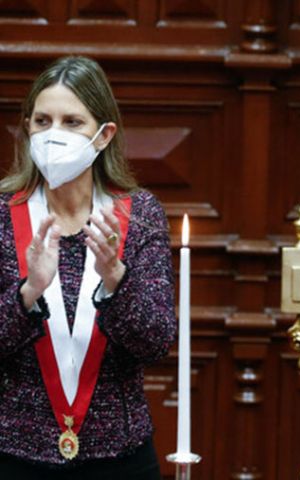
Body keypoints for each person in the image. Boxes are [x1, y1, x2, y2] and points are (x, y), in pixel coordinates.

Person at [0, 56, 176, 479]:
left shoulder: (141, 215)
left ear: (103, 135)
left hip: (120, 458)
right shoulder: (3, 216)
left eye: (72, 122)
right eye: (42, 121)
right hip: (17, 456)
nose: (53, 134)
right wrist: (28, 293)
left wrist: (116, 279)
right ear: (27, 128)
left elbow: (156, 343)